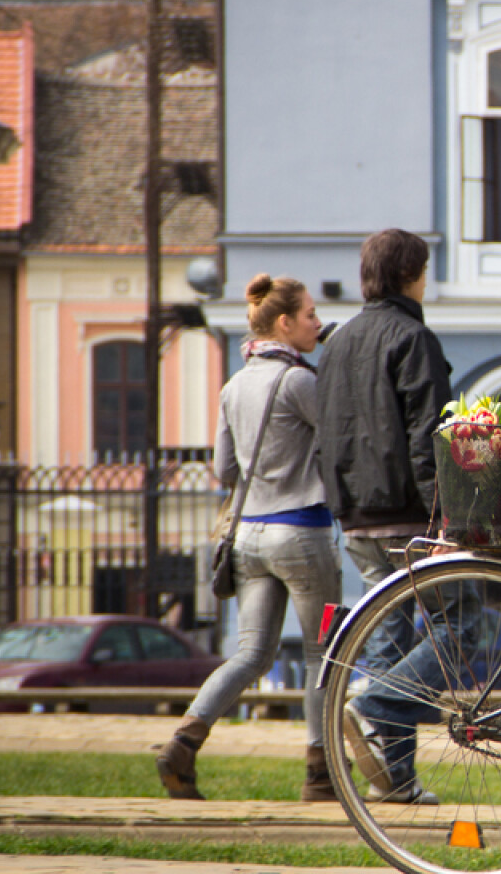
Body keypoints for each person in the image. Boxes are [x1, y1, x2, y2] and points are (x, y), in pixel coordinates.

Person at [158, 274, 339, 802]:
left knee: (250, 656)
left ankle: (184, 740)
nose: (316, 322)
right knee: (321, 655)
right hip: (301, 534)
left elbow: (222, 467)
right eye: (308, 314)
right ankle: (319, 773)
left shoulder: (234, 385)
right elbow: (334, 442)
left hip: (248, 539)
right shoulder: (301, 382)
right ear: (284, 323)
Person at [314, 228, 452, 804]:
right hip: (407, 514)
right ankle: (374, 701)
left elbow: (328, 431)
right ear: (410, 276)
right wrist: (443, 515)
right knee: (463, 624)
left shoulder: (339, 342)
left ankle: (397, 781)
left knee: (390, 643)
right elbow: (429, 436)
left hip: (356, 518)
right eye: (424, 270)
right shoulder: (412, 337)